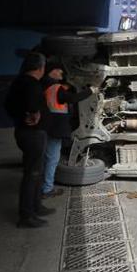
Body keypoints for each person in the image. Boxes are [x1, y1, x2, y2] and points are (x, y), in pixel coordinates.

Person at [4, 52, 55, 228]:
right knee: (32, 174)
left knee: (35, 172)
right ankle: (26, 216)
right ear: (40, 67)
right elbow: (33, 105)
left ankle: (36, 206)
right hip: (33, 134)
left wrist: (21, 115)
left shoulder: (19, 82)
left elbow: (8, 106)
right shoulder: (32, 85)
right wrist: (33, 113)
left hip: (24, 132)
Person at [41, 61, 94, 199]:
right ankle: (47, 189)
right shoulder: (56, 87)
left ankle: (43, 185)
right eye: (59, 70)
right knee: (52, 158)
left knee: (46, 157)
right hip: (55, 128)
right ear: (51, 72)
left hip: (46, 126)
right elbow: (72, 98)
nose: (61, 73)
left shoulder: (45, 85)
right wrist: (91, 90)